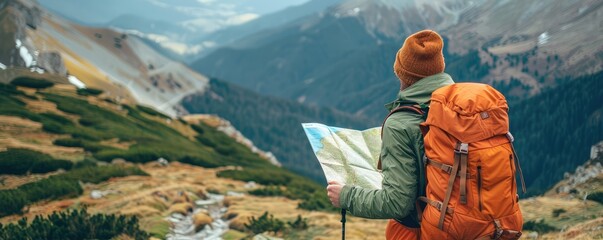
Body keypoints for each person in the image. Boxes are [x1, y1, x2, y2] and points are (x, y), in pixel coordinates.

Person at [326, 29, 455, 239]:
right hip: (479, 224)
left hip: (423, 230)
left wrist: (346, 196)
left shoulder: (400, 124)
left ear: (401, 73)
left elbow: (397, 203)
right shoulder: (465, 109)